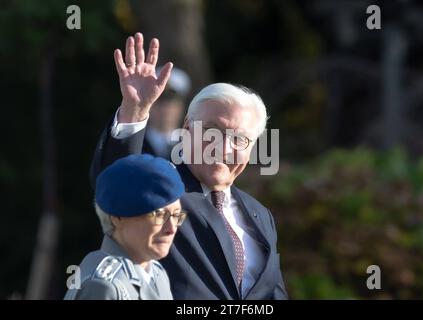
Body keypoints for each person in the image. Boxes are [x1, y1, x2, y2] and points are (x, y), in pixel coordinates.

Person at [90, 32, 288, 299]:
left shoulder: (261, 215)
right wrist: (134, 111)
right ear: (186, 129)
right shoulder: (162, 192)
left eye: (240, 139)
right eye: (211, 131)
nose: (223, 147)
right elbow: (115, 182)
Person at [65, 154, 186, 300]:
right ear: (117, 217)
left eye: (177, 215)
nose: (172, 229)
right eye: (159, 214)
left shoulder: (155, 272)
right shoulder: (104, 286)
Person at [144, 67, 191, 159]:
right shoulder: (135, 142)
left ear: (182, 106)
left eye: (172, 101)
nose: (165, 108)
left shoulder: (191, 146)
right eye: (159, 100)